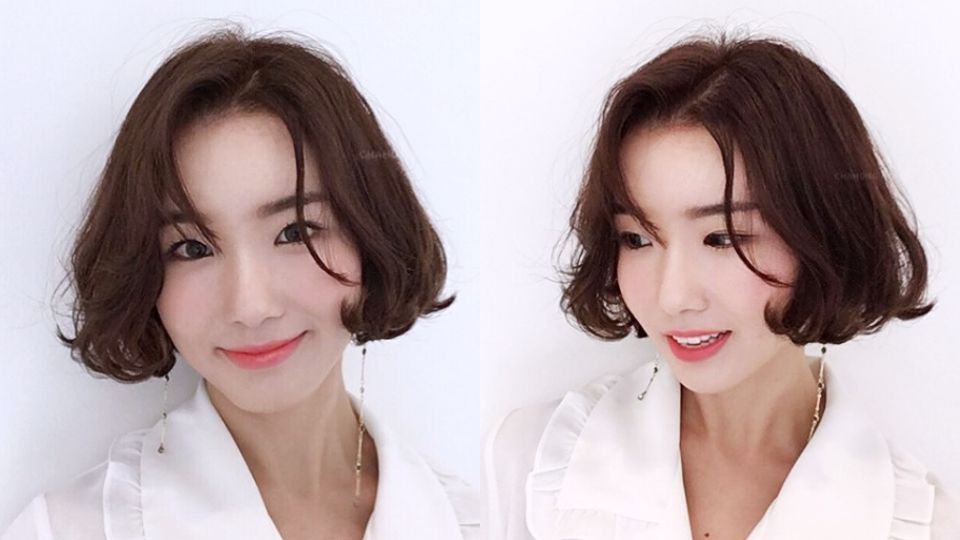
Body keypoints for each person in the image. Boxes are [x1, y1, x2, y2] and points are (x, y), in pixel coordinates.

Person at [3, 27, 478, 540]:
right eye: (193, 248)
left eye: (295, 232)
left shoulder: (476, 519)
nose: (250, 306)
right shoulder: (66, 530)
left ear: (371, 234)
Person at [485, 33, 959, 539]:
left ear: (822, 233)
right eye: (637, 239)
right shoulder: (532, 462)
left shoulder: (922, 523)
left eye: (722, 237)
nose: (673, 297)